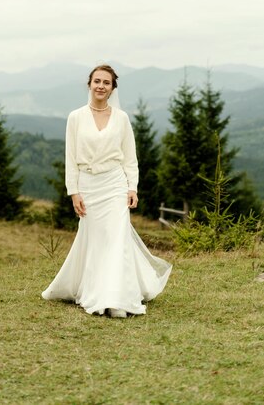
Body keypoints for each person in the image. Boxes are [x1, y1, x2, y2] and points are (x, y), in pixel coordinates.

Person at [42, 64, 172, 317]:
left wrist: (132, 187)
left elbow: (129, 158)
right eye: (97, 81)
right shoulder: (75, 117)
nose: (101, 86)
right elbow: (70, 158)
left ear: (113, 88)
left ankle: (116, 298)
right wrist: (74, 192)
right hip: (88, 186)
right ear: (89, 84)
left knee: (116, 240)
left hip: (115, 185)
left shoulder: (121, 118)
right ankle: (93, 290)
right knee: (95, 240)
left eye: (107, 82)